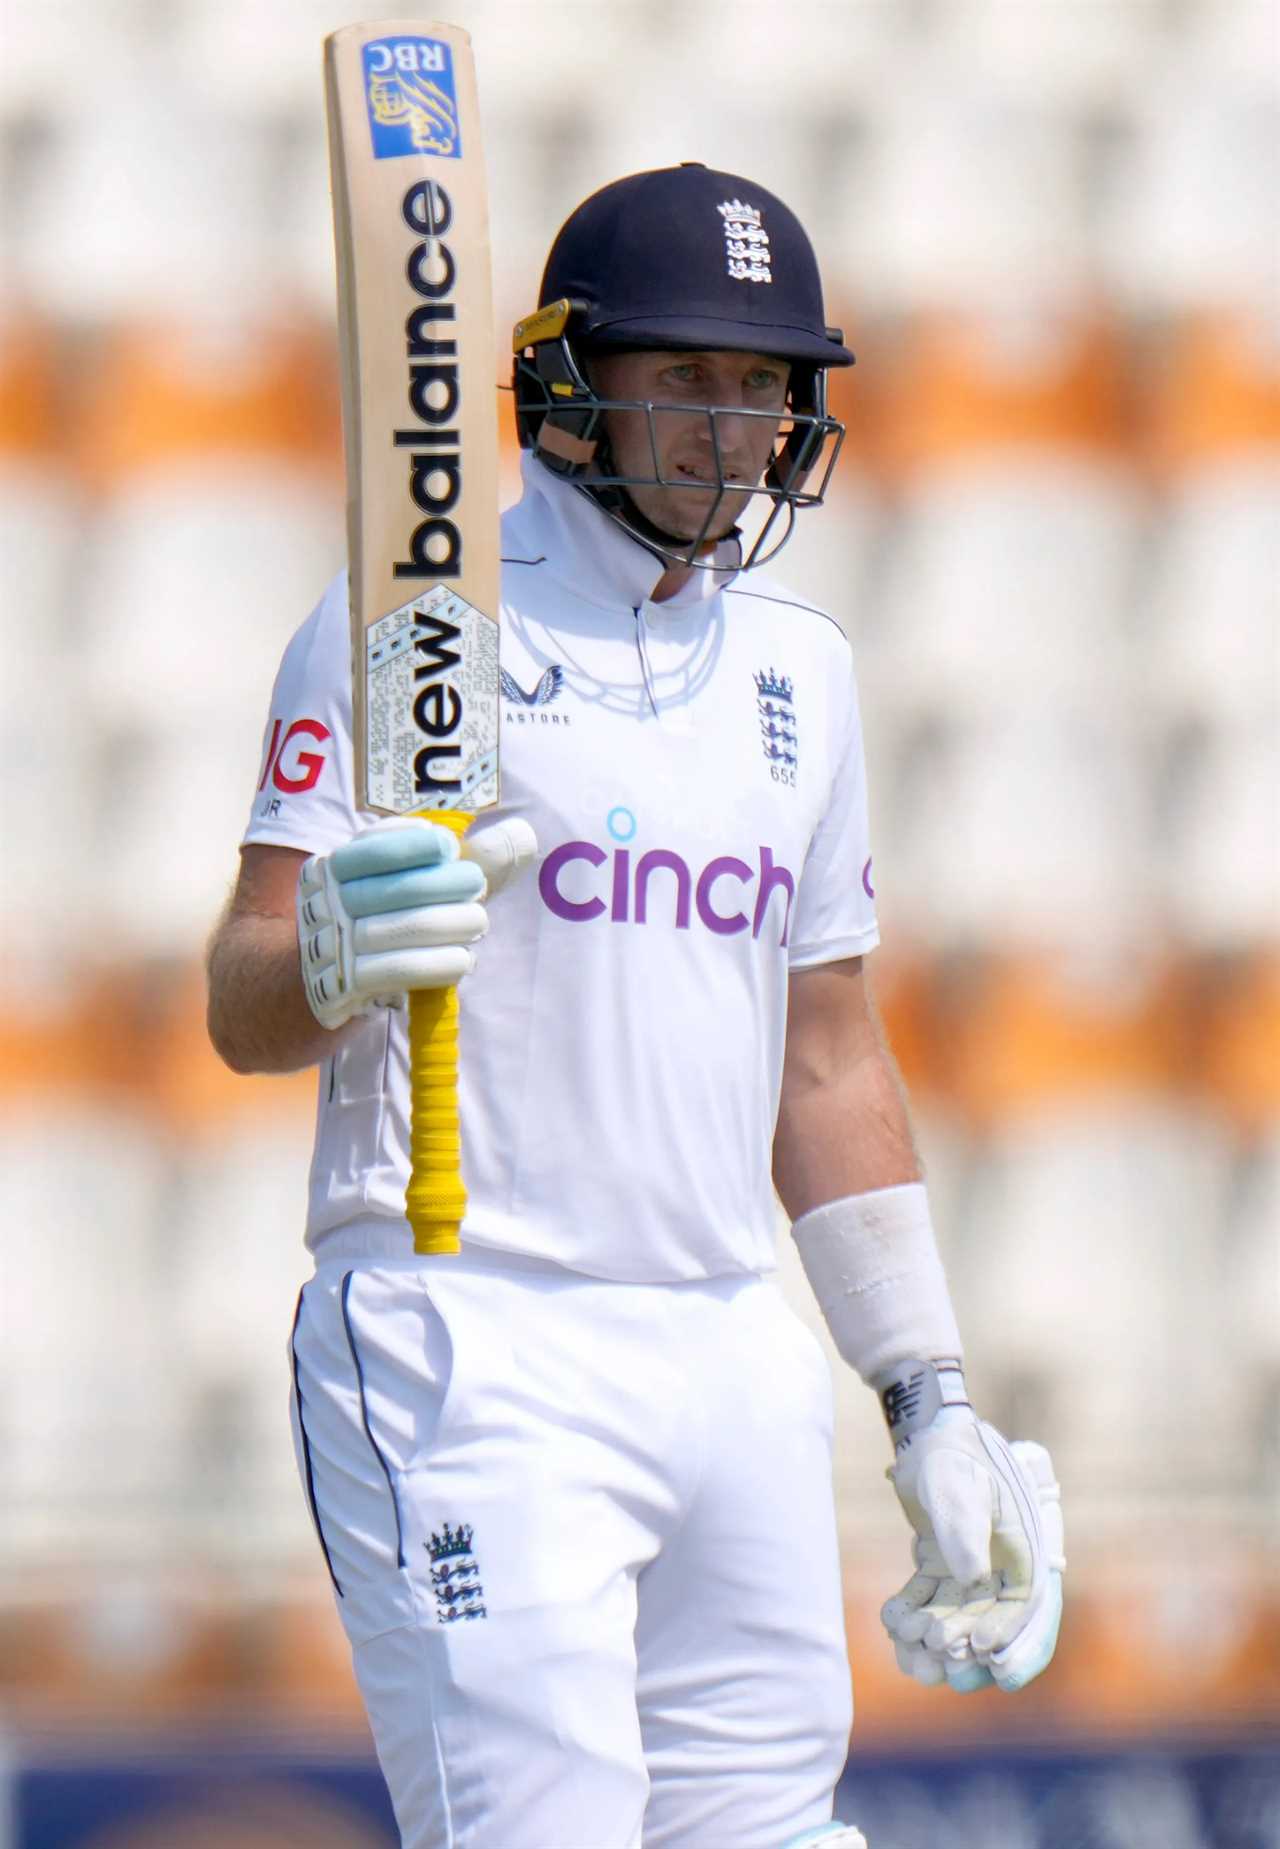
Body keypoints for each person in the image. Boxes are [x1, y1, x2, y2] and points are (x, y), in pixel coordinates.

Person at [207, 164, 1064, 1849]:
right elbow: (242, 996)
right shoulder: (417, 626)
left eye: (762, 385)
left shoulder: (797, 672)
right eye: (686, 375)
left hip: (727, 1343)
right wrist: (326, 958)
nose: (731, 426)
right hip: (474, 1330)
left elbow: (825, 1055)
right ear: (572, 382)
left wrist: (926, 1390)